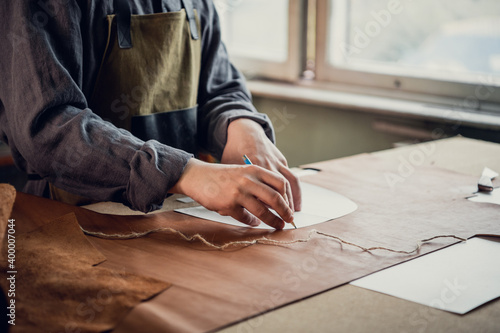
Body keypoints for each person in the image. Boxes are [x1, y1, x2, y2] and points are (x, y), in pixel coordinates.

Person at [0, 0, 301, 229]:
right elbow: (47, 127)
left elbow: (217, 88)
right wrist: (182, 172)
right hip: (74, 225)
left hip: (177, 219)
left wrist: (240, 124)